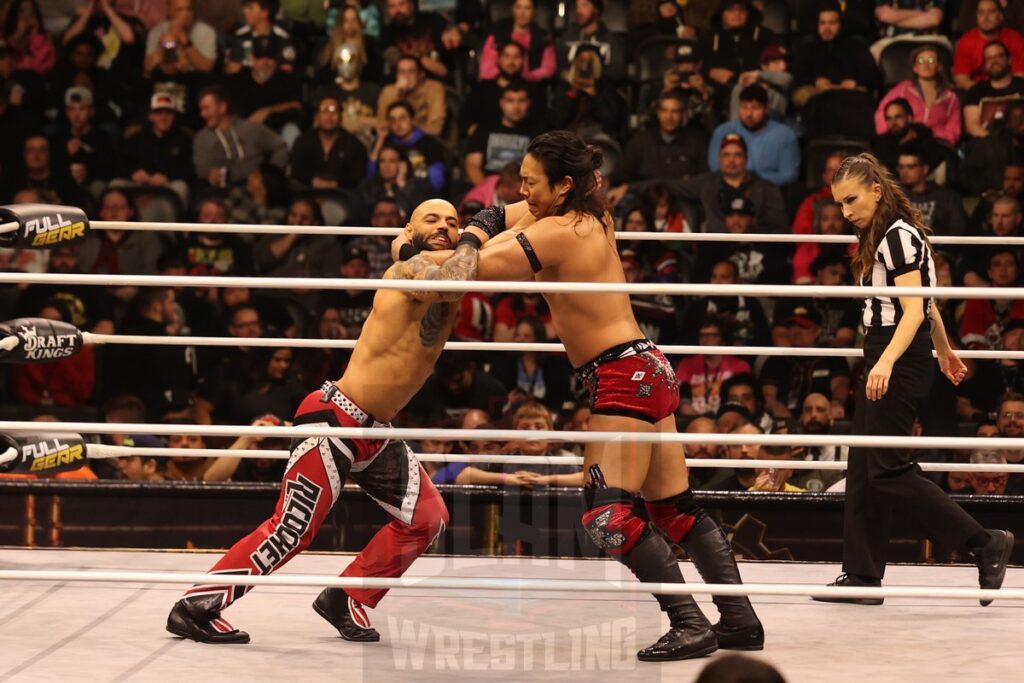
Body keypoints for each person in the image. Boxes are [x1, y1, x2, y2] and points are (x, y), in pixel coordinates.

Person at [425, 130, 763, 659]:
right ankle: (739, 620)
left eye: (532, 183)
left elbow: (466, 271)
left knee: (607, 517)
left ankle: (689, 623)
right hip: (645, 367)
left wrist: (434, 242)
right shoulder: (590, 215)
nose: (523, 192)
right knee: (673, 509)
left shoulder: (561, 232)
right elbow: (498, 213)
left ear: (562, 186)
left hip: (622, 376)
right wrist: (474, 225)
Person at [166, 198, 479, 644]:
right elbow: (443, 284)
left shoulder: (457, 270)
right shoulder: (407, 272)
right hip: (335, 417)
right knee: (294, 527)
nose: (446, 227)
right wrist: (465, 235)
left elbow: (473, 267)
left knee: (428, 518)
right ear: (408, 230)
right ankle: (197, 605)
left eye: (453, 221)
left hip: (376, 430)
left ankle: (348, 596)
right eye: (432, 219)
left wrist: (488, 226)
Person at [814, 153, 1013, 605]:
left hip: (896, 354)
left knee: (887, 470)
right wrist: (943, 349)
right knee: (863, 468)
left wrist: (886, 362)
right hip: (891, 350)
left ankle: (984, 543)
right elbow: (925, 302)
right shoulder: (882, 233)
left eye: (852, 200)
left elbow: (911, 311)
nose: (846, 212)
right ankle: (862, 576)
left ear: (877, 191)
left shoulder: (897, 236)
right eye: (840, 204)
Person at [874, 45, 961, 145]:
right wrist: (892, 134)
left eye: (931, 61)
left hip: (935, 145)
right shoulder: (903, 89)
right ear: (915, 67)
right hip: (904, 143)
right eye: (921, 61)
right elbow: (880, 114)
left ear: (939, 66)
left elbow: (953, 132)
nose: (926, 65)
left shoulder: (950, 98)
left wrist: (930, 135)